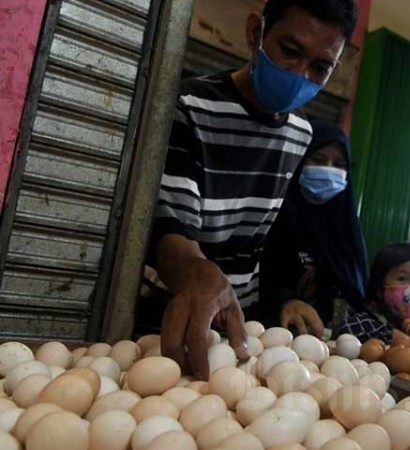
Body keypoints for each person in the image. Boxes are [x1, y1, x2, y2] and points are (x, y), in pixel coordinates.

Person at [140, 0, 358, 380]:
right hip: (165, 321)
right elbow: (170, 228)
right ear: (255, 33)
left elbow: (265, 245)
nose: (300, 74)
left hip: (242, 331)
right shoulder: (187, 106)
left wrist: (280, 298)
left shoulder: (300, 135)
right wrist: (197, 271)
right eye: (290, 51)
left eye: (320, 67)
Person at [255, 120, 368, 337]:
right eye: (318, 159)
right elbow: (253, 278)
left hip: (331, 347)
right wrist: (286, 300)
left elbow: (355, 295)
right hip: (271, 337)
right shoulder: (271, 217)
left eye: (339, 164)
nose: (328, 170)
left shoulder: (346, 231)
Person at [332, 242, 410, 343]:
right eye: (402, 278)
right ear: (379, 288)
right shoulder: (363, 325)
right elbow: (343, 336)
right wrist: (391, 336)